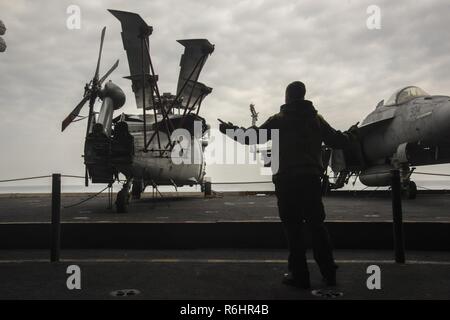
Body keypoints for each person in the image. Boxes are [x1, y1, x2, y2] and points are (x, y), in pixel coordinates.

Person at [219, 81, 356, 289]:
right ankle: (329, 272)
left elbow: (251, 137)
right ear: (303, 96)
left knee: (293, 230)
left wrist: (229, 130)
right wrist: (351, 134)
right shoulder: (316, 120)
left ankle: (299, 276)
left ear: (287, 97)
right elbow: (338, 140)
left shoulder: (279, 120)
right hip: (311, 181)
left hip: (287, 182)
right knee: (317, 227)